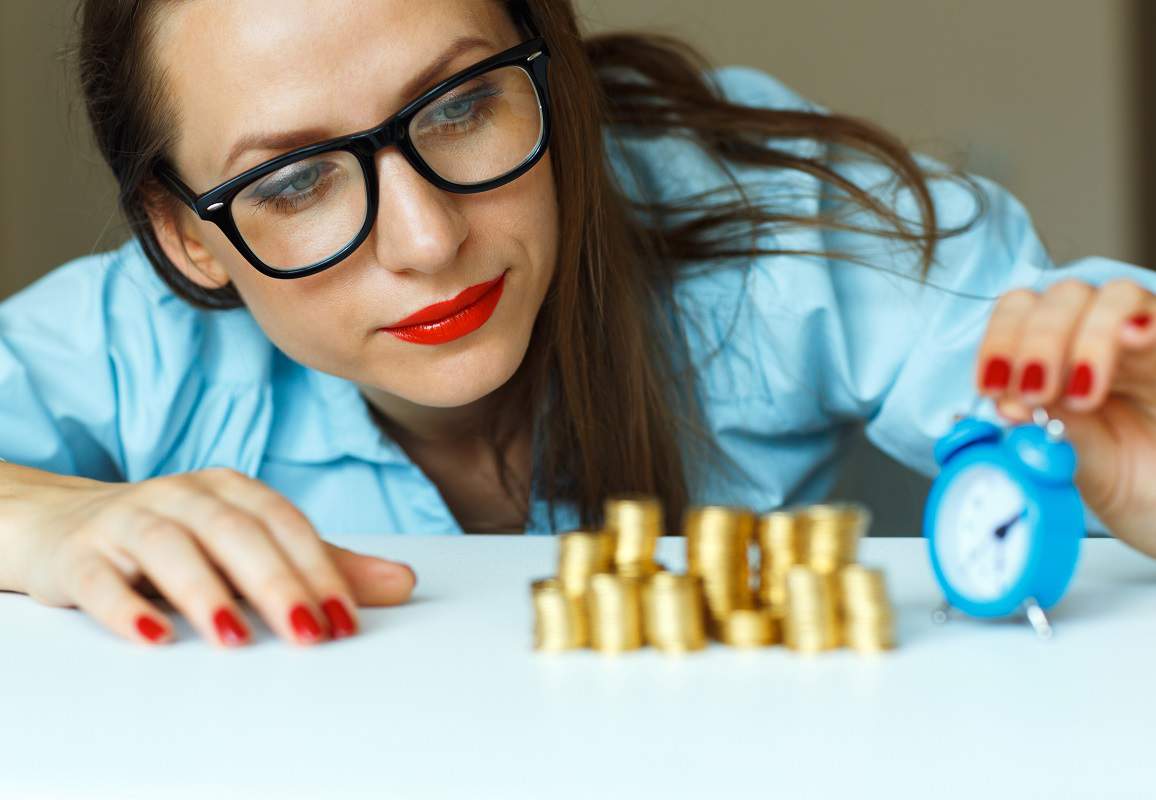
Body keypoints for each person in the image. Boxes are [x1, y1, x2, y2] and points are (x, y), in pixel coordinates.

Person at [2, 0, 1155, 650]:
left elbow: (1073, 395)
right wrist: (38, 520)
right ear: (184, 234)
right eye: (296, 180)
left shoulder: (759, 216)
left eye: (459, 107)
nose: (425, 238)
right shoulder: (133, 340)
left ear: (547, 74)